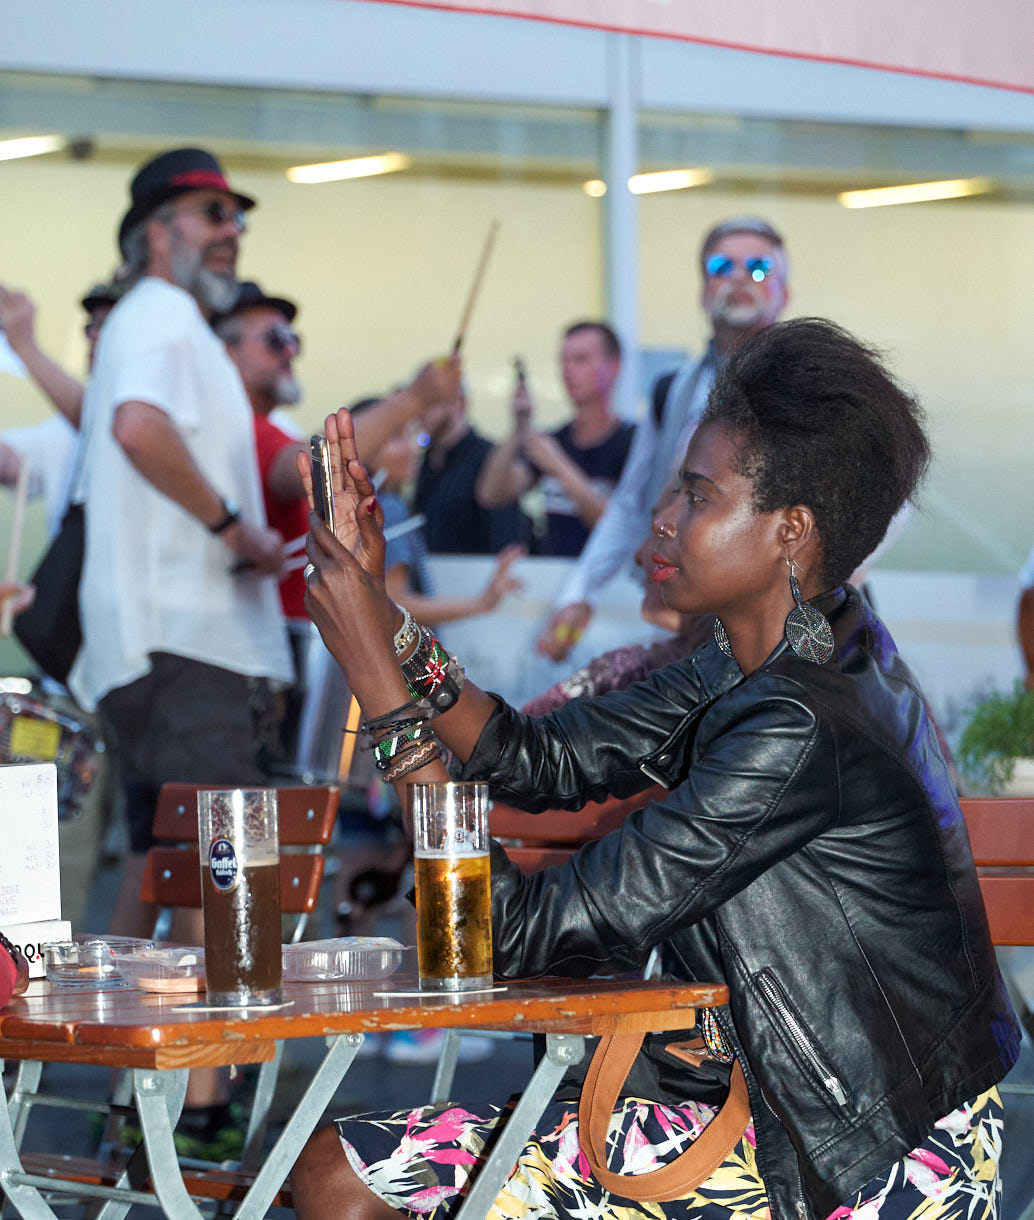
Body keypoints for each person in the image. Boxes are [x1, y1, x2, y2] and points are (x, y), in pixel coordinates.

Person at [291, 317, 1018, 1220]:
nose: (661, 521)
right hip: (779, 1109)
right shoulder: (778, 657)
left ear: (790, 531)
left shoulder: (800, 722)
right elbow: (536, 757)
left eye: (697, 498)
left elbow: (500, 938)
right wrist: (381, 611)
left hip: (863, 1157)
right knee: (345, 1164)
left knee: (342, 1175)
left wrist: (379, 690)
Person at [68, 147, 294, 936]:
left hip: (161, 643)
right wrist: (236, 529)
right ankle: (210, 1061)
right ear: (158, 231)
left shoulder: (153, 320)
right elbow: (139, 428)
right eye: (214, 213)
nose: (233, 230)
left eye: (237, 216)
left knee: (162, 866)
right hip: (186, 646)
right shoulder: (163, 313)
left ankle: (141, 1058)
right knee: (223, 877)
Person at [538, 216, 788, 660]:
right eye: (720, 267)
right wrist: (579, 593)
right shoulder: (673, 391)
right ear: (703, 292)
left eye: (758, 267)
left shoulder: (810, 384)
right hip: (695, 620)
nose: (738, 278)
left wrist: (828, 575)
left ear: (784, 293)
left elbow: (888, 499)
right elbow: (635, 503)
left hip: (787, 618)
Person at [350, 396, 525, 629]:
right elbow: (395, 604)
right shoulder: (387, 507)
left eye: (409, 434)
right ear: (365, 451)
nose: (411, 446)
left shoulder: (356, 507)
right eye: (396, 438)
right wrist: (482, 602)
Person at [476, 322, 634, 556]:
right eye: (564, 360)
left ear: (614, 367)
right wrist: (517, 428)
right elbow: (491, 494)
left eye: (580, 359)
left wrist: (559, 466)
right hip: (552, 583)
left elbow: (619, 529)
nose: (567, 370)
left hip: (609, 587)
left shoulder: (633, 443)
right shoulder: (556, 441)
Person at [212, 280, 310, 618]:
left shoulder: (267, 428)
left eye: (293, 340)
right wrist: (411, 401)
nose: (290, 352)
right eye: (275, 341)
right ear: (226, 352)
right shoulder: (242, 430)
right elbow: (311, 468)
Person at [414, 385, 532, 555]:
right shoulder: (426, 462)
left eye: (429, 402)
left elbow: (505, 538)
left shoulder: (490, 459)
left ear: (459, 404)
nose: (420, 412)